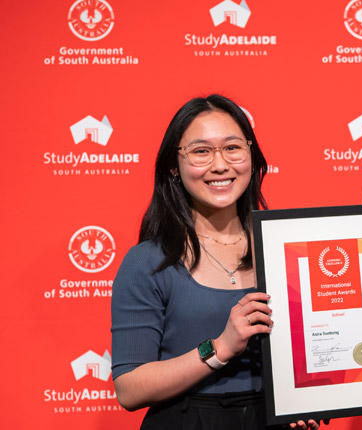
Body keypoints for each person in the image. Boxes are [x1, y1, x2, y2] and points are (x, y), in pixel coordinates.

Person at [111, 94, 319, 430]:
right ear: (173, 166)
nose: (220, 165)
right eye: (201, 151)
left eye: (233, 147)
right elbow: (129, 389)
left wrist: (308, 396)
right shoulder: (148, 261)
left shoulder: (286, 248)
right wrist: (219, 348)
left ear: (251, 155)